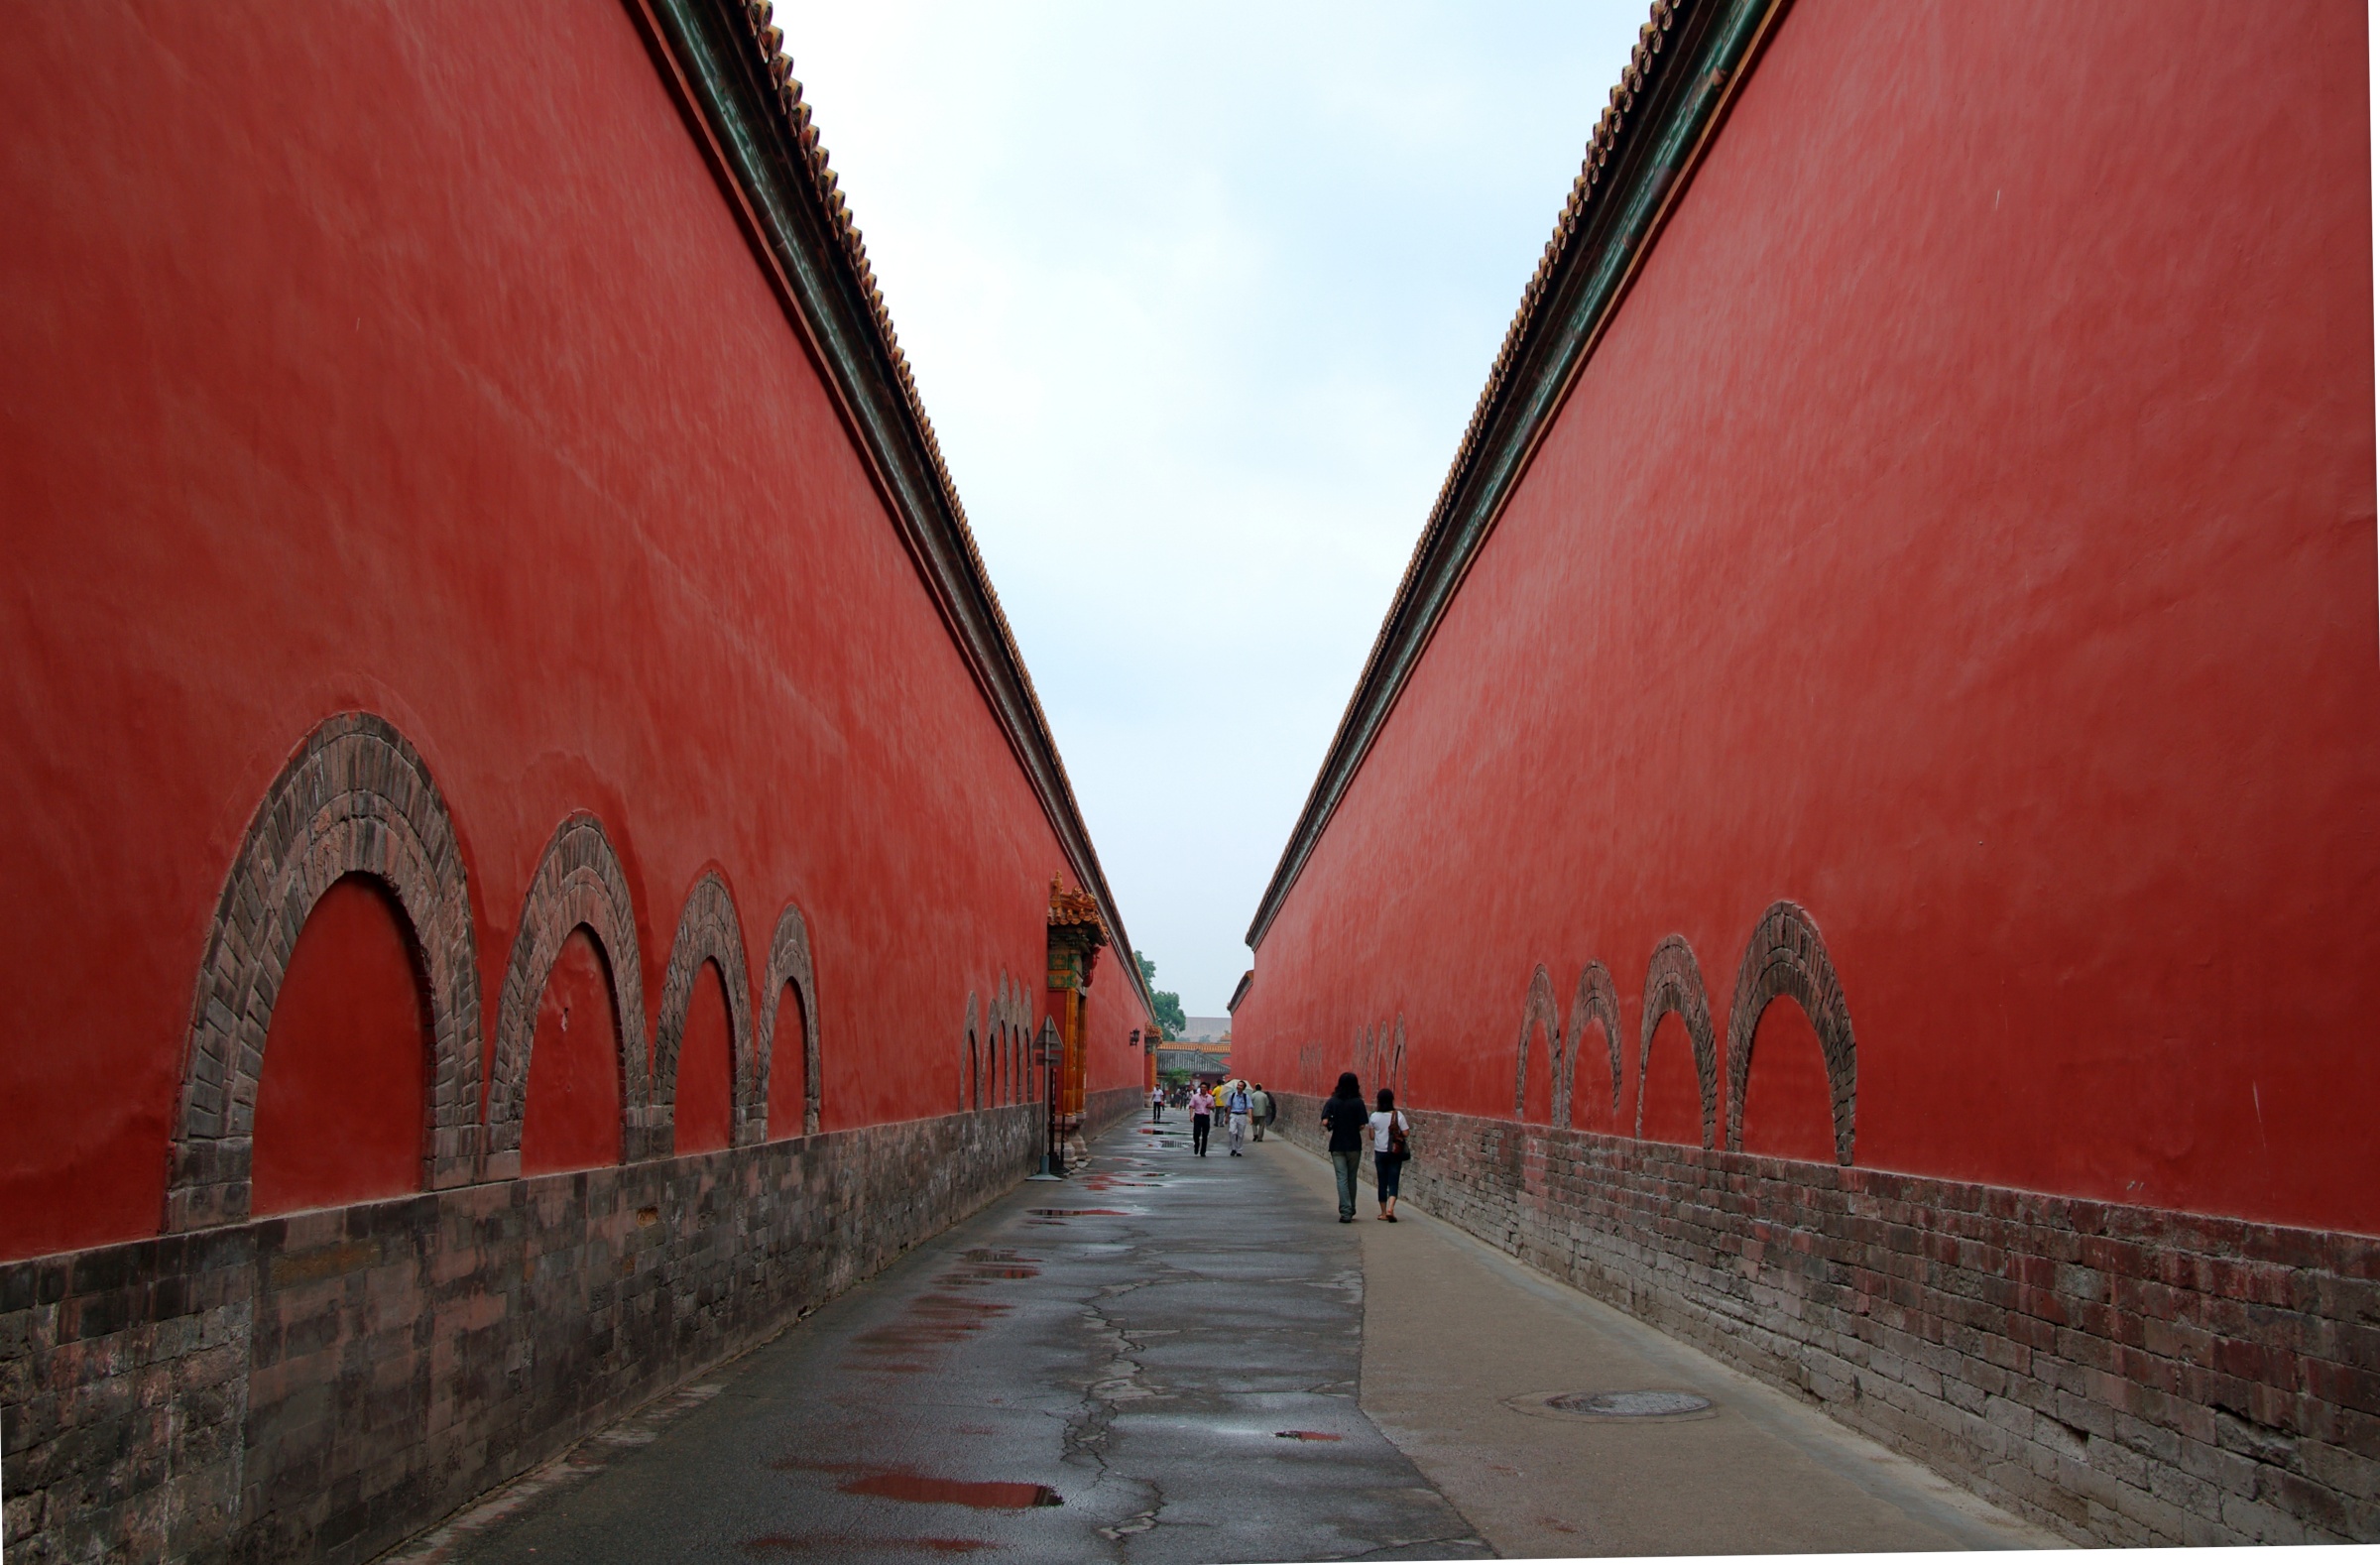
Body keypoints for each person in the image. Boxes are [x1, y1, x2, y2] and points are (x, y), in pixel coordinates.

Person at [1320, 1073, 1368, 1222]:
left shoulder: (1333, 1101)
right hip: (1354, 1144)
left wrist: (1334, 1123)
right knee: (1351, 1177)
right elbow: (1362, 1125)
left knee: (1341, 1177)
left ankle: (1346, 1211)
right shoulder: (1358, 1102)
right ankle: (1351, 1208)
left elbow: (1325, 1121)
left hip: (1337, 1144)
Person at [1368, 1088, 1409, 1221]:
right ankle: (1391, 1208)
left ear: (1379, 1101)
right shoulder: (1398, 1115)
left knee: (1382, 1182)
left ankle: (1383, 1212)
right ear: (1392, 1100)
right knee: (1393, 1181)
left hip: (1380, 1152)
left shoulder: (1374, 1116)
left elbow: (1371, 1136)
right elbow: (1406, 1133)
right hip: (1395, 1152)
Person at [1226, 1081, 1251, 1155]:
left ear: (1243, 1088)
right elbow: (1229, 1106)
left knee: (1240, 1134)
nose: (1239, 1087)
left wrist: (1251, 1117)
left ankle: (1239, 1150)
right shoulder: (1232, 1095)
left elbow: (1249, 1107)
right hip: (1233, 1115)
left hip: (1242, 1115)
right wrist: (1227, 1117)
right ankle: (1233, 1148)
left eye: (1241, 1086)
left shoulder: (1246, 1097)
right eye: (1238, 1085)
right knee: (1232, 1131)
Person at [1189, 1083, 1214, 1156]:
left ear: (1207, 1089)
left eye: (1204, 1087)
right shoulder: (1195, 1096)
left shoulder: (1210, 1097)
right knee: (1196, 1133)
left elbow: (1213, 1107)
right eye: (1202, 1087)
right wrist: (1191, 1116)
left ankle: (1203, 1151)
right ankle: (1196, 1144)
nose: (1203, 1089)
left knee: (1205, 1135)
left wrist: (1209, 1107)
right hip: (1198, 1116)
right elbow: (1191, 1106)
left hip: (1206, 1116)